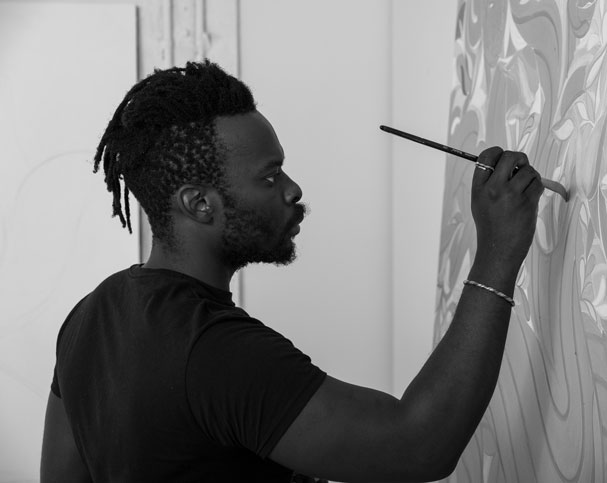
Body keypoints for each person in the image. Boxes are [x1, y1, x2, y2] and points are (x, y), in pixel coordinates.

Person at [40, 59, 544, 482]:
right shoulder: (217, 354)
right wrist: (497, 252)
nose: (292, 189)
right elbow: (419, 443)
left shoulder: (89, 316)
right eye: (268, 176)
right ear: (199, 204)